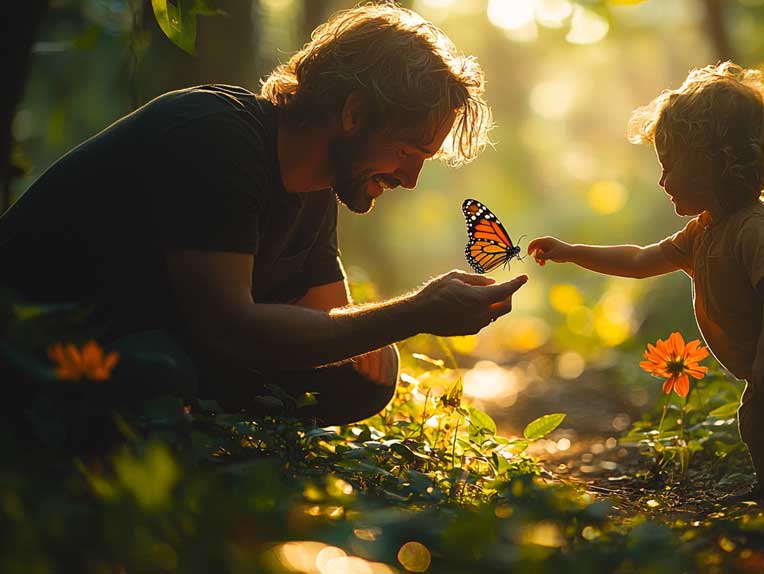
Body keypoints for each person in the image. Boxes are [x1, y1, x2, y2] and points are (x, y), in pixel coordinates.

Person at [0, 3, 527, 424]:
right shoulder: (215, 134)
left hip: (155, 336)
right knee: (160, 371)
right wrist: (413, 312)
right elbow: (228, 323)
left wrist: (383, 333)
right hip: (35, 335)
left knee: (357, 382)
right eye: (406, 152)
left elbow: (329, 326)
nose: (409, 178)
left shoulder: (319, 186)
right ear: (353, 113)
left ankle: (180, 416)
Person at [527, 62, 764, 502]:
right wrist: (571, 251)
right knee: (756, 423)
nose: (662, 181)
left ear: (714, 160)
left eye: (669, 166)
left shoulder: (756, 227)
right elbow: (641, 260)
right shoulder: (703, 232)